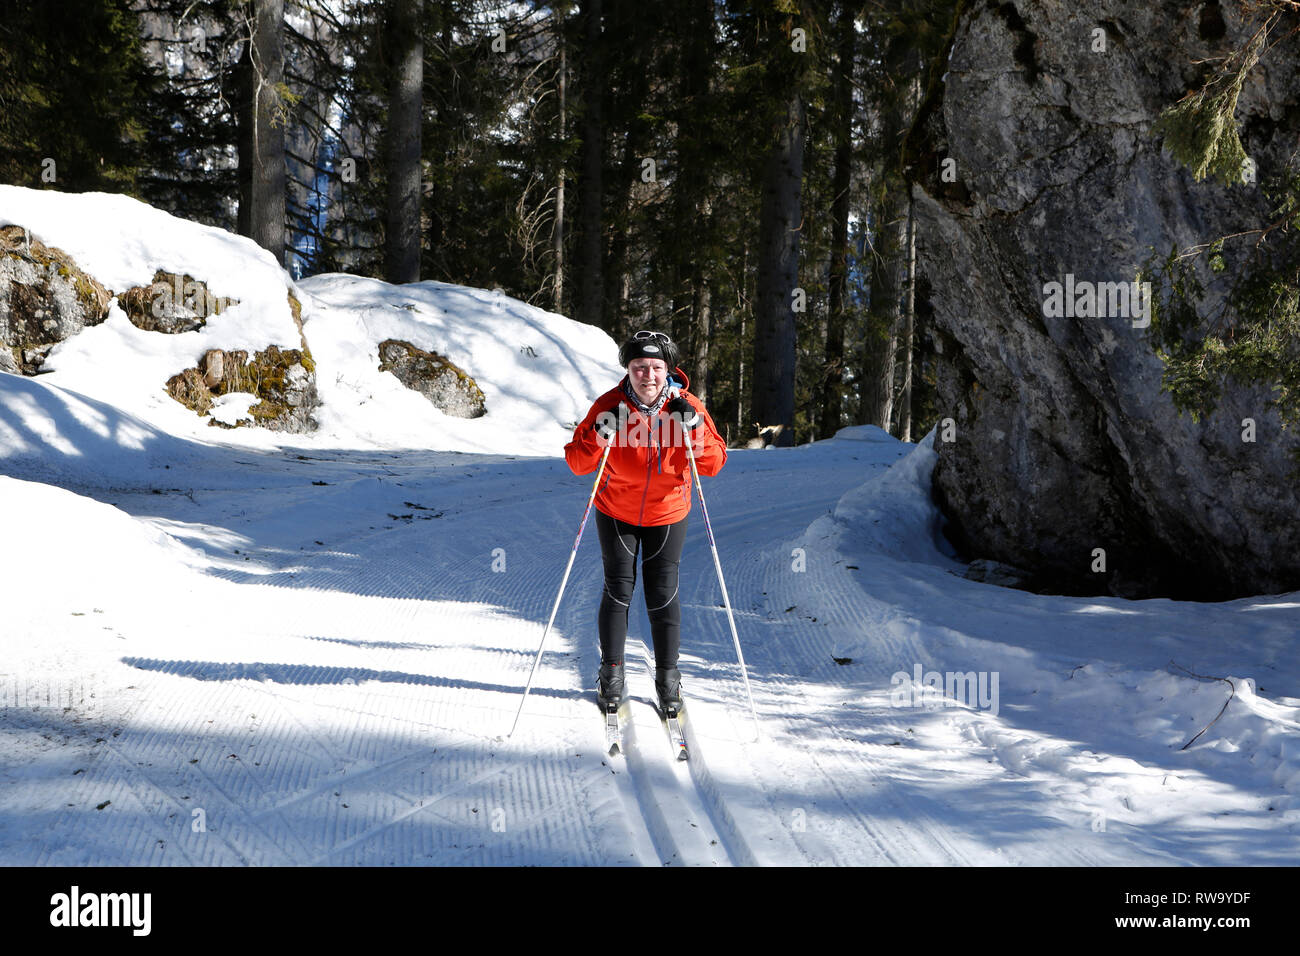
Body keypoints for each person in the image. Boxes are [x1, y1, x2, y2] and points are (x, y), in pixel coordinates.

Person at [564, 330, 728, 714]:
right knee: (618, 589)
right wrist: (600, 433)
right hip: (616, 510)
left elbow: (715, 464)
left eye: (656, 367)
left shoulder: (686, 406)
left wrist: (696, 430)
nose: (648, 375)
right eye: (640, 367)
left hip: (667, 513)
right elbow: (577, 463)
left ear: (668, 370)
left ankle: (668, 677)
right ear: (629, 370)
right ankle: (612, 673)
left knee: (662, 593)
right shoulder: (610, 404)